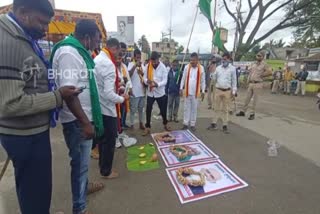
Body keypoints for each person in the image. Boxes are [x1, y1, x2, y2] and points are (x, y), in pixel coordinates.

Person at [0, 0, 80, 213]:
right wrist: (56, 97)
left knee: (35, 190)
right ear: (23, 13)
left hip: (31, 131)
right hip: (25, 135)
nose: (45, 30)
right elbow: (9, 104)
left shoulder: (21, 38)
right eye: (42, 23)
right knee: (35, 193)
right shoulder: (8, 43)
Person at [52, 19, 105, 214]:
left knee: (82, 164)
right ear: (88, 37)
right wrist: (85, 123)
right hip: (77, 122)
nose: (97, 45)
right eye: (97, 40)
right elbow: (69, 92)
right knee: (79, 164)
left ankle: (84, 188)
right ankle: (80, 208)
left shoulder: (79, 53)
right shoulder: (69, 53)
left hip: (82, 119)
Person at [94, 38, 129, 179]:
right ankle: (106, 171)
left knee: (102, 140)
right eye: (118, 52)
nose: (118, 55)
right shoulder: (108, 64)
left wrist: (118, 86)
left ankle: (102, 166)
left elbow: (103, 87)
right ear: (113, 48)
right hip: (107, 109)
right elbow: (108, 93)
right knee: (109, 142)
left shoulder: (97, 59)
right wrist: (122, 98)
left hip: (99, 106)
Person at [236, 52, 272, 120]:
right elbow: (250, 72)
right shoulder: (253, 64)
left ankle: (252, 113)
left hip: (258, 83)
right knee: (247, 98)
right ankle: (243, 111)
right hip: (251, 83)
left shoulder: (265, 64)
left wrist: (262, 75)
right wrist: (247, 80)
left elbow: (270, 72)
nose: (258, 57)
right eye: (257, 55)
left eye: (260, 56)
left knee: (255, 100)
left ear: (263, 57)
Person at [207, 52, 237, 134]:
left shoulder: (232, 69)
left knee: (225, 109)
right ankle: (214, 124)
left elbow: (234, 81)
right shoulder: (218, 68)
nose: (224, 60)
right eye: (223, 59)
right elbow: (214, 78)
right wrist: (212, 72)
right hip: (218, 90)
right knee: (216, 108)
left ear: (229, 59)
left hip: (227, 91)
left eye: (225, 59)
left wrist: (234, 92)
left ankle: (225, 125)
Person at [142, 51, 170, 136]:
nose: (153, 63)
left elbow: (165, 80)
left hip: (160, 92)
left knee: (163, 110)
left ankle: (165, 124)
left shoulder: (163, 67)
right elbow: (144, 77)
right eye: (152, 61)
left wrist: (157, 84)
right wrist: (147, 81)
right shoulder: (148, 66)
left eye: (155, 61)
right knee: (148, 110)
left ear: (158, 59)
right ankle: (148, 127)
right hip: (151, 92)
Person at [180, 52, 206, 131]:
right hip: (187, 91)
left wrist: (203, 91)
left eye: (194, 60)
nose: (192, 62)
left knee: (194, 109)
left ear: (197, 60)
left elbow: (203, 81)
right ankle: (185, 123)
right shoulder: (186, 67)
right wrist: (181, 88)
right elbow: (183, 78)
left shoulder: (201, 68)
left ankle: (192, 124)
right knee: (186, 108)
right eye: (191, 60)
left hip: (196, 92)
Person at [128, 49, 146, 130]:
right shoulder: (130, 64)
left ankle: (141, 123)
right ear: (134, 56)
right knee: (133, 110)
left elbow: (144, 77)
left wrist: (142, 73)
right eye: (137, 57)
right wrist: (135, 66)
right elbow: (129, 75)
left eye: (140, 57)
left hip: (142, 92)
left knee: (141, 109)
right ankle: (132, 124)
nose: (139, 58)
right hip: (134, 92)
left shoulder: (142, 66)